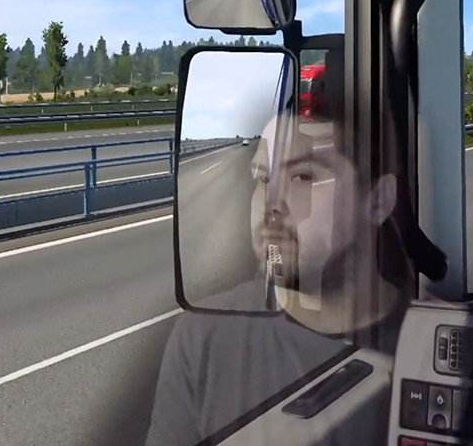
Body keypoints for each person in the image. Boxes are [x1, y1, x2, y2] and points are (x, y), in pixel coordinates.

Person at [142, 111, 416, 446]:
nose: (270, 203)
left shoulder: (437, 347)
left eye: (302, 176)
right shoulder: (202, 336)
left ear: (378, 201)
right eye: (262, 178)